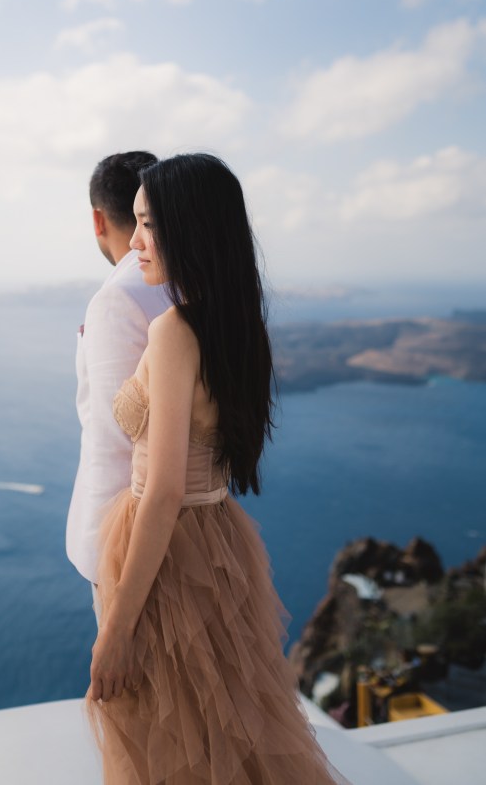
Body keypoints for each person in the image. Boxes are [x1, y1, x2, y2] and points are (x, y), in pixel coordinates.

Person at [86, 154, 352, 784]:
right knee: (223, 734)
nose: (137, 241)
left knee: (170, 747)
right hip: (218, 541)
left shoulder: (174, 330)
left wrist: (116, 628)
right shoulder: (236, 323)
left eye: (150, 225)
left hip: (166, 551)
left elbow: (163, 490)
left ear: (190, 229)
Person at [66, 151, 170, 623]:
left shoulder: (119, 296)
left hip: (123, 539)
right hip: (194, 525)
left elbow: (118, 436)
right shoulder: (191, 283)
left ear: (97, 218)